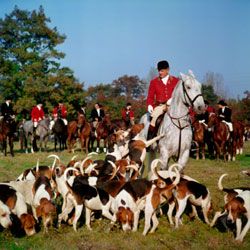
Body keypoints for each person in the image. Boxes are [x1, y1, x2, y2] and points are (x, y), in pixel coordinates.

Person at [146, 60, 179, 139]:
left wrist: (172, 99)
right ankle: (151, 138)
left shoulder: (176, 81)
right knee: (155, 119)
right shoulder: (154, 82)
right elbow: (150, 96)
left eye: (162, 71)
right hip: (160, 106)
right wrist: (149, 105)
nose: (160, 73)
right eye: (159, 71)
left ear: (168, 70)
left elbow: (179, 94)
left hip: (174, 105)